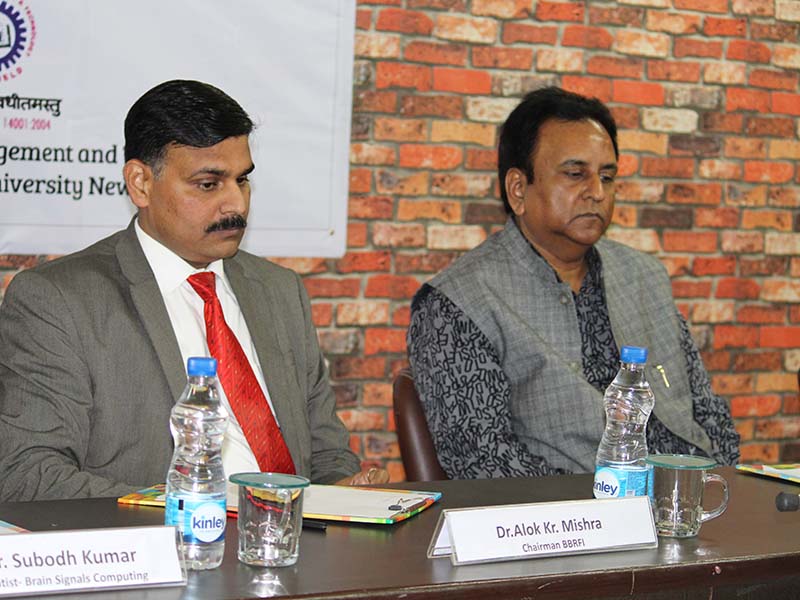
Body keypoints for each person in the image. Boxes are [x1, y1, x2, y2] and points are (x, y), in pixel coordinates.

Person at [0, 79, 387, 502]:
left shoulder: (280, 291)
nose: (236, 204)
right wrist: (196, 512)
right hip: (166, 538)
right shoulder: (59, 301)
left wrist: (343, 493)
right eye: (208, 184)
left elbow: (326, 455)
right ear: (140, 183)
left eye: (242, 180)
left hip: (291, 536)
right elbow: (27, 473)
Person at [407, 87, 739, 480]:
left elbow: (708, 412)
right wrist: (612, 502)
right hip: (571, 512)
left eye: (607, 176)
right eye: (575, 174)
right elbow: (484, 461)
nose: (597, 192)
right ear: (518, 189)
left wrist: (718, 486)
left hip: (689, 499)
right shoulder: (458, 303)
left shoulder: (645, 278)